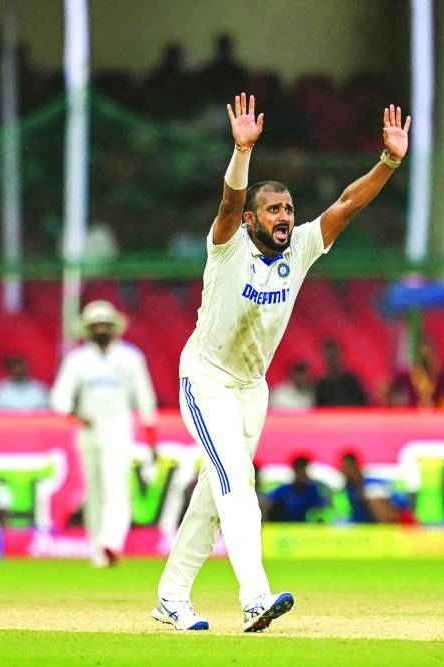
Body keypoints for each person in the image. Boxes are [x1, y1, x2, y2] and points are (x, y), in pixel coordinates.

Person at [152, 93, 410, 633]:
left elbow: (346, 204)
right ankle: (254, 599)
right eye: (273, 210)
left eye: (289, 209)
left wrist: (387, 162)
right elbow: (227, 204)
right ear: (251, 219)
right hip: (206, 380)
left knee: (213, 491)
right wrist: (242, 151)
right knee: (237, 481)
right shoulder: (227, 246)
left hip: (251, 389)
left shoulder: (300, 250)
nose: (285, 217)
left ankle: (171, 597)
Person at [50, 300, 158, 569]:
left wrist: (151, 435)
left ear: (114, 328)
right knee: (94, 492)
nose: (100, 330)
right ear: (87, 329)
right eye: (95, 326)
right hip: (88, 435)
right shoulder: (77, 360)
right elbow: (59, 399)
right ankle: (98, 551)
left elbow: (145, 398)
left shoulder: (130, 358)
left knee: (116, 488)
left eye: (105, 325)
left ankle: (112, 542)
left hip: (120, 433)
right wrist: (76, 415)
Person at [338, 451, 409, 523]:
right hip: (358, 524)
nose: (343, 471)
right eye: (342, 468)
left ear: (355, 466)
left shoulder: (373, 483)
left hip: (393, 520)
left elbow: (401, 503)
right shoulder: (346, 488)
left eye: (346, 467)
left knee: (374, 497)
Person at [387, 340, 444, 408]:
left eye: (428, 355)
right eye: (422, 357)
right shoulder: (404, 378)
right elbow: (396, 403)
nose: (425, 360)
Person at [264, 456, 329, 522]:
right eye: (298, 467)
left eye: (303, 467)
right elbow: (268, 502)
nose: (300, 471)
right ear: (293, 469)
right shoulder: (283, 490)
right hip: (284, 528)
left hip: (308, 529)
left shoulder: (315, 490)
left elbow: (323, 508)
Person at [313, 339, 367, 407]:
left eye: (334, 356)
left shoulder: (352, 380)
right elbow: (318, 410)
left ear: (340, 356)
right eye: (328, 358)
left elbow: (363, 405)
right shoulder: (321, 385)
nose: (332, 361)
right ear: (323, 359)